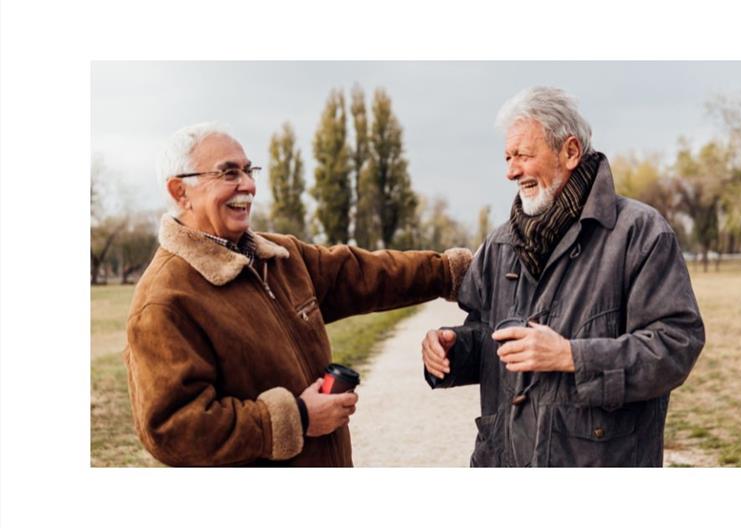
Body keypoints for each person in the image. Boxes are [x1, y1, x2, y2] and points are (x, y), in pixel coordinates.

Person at [124, 123, 471, 467]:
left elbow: (369, 275)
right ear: (180, 192)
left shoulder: (280, 256)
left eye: (248, 170)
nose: (248, 186)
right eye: (228, 173)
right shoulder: (165, 299)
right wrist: (297, 418)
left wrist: (453, 273)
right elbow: (173, 429)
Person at [420, 87, 705, 467]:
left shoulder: (641, 233)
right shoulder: (500, 242)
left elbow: (676, 346)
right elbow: (488, 338)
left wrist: (572, 356)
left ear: (570, 152)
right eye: (507, 157)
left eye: (522, 155)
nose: (511, 171)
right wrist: (451, 348)